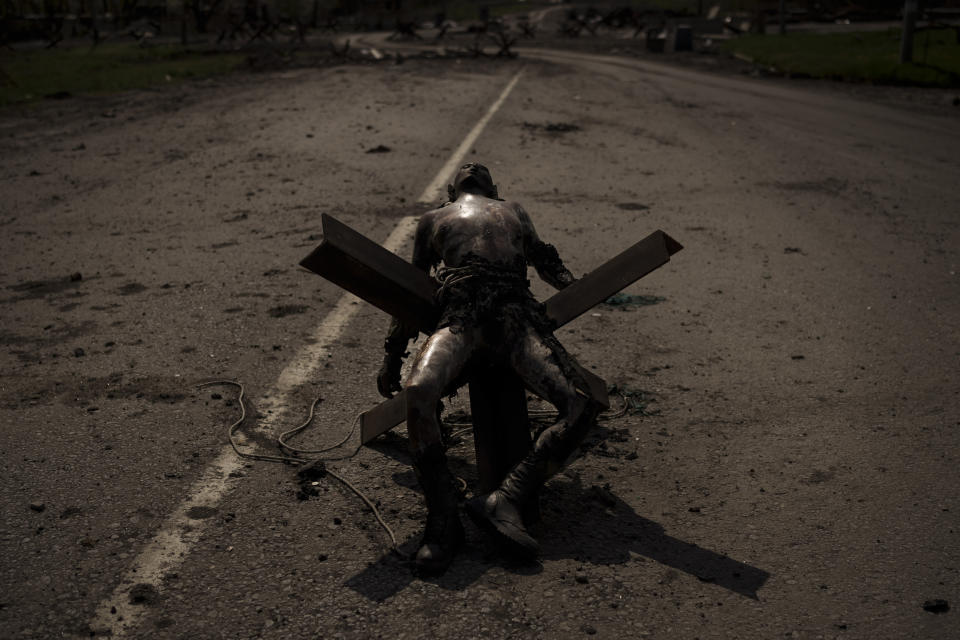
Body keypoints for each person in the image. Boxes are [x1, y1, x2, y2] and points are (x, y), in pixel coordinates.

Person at [377, 163, 601, 575]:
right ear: (448, 193)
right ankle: (443, 519)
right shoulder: (433, 219)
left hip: (516, 317)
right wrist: (393, 354)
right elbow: (411, 289)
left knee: (580, 404)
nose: (470, 167)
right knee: (420, 391)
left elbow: (544, 259)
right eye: (465, 169)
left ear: (496, 189)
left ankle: (508, 497)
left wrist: (575, 284)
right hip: (461, 315)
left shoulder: (513, 210)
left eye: (479, 169)